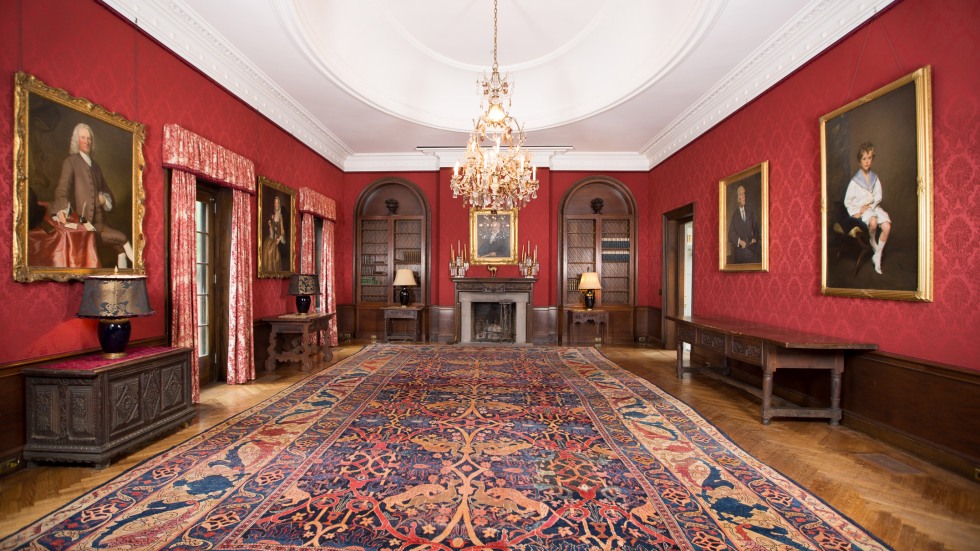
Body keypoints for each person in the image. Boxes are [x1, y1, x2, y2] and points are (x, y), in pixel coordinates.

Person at [51, 123, 133, 268]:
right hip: (83, 223)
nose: (87, 141)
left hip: (100, 223)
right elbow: (62, 190)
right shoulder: (70, 162)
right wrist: (63, 209)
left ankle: (126, 273)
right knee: (122, 239)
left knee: (120, 246)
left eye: (89, 138)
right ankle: (136, 267)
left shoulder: (96, 167)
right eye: (83, 137)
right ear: (77, 140)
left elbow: (107, 193)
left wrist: (104, 200)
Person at [844, 142, 891, 274]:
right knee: (874, 222)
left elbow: (878, 196)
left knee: (887, 226)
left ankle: (877, 255)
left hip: (874, 207)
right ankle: (872, 242)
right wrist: (855, 212)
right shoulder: (854, 182)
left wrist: (870, 205)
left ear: (872, 159)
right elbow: (848, 201)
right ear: (859, 161)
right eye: (864, 158)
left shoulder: (875, 178)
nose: (867, 161)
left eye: (869, 158)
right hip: (864, 211)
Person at [727, 185, 760, 264]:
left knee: (760, 250)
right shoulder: (735, 215)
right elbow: (730, 234)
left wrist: (754, 238)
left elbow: (756, 227)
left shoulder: (749, 210)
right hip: (741, 249)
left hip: (751, 245)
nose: (744, 196)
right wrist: (739, 241)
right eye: (742, 194)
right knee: (752, 257)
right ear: (738, 199)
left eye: (744, 194)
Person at [262, 195, 286, 271]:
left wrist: (279, 239)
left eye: (277, 203)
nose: (276, 205)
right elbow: (271, 233)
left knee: (270, 251)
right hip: (272, 237)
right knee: (266, 245)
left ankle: (272, 271)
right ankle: (267, 271)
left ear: (279, 204)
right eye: (275, 203)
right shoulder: (272, 216)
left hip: (277, 238)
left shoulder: (280, 216)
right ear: (274, 204)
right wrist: (270, 225)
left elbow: (282, 230)